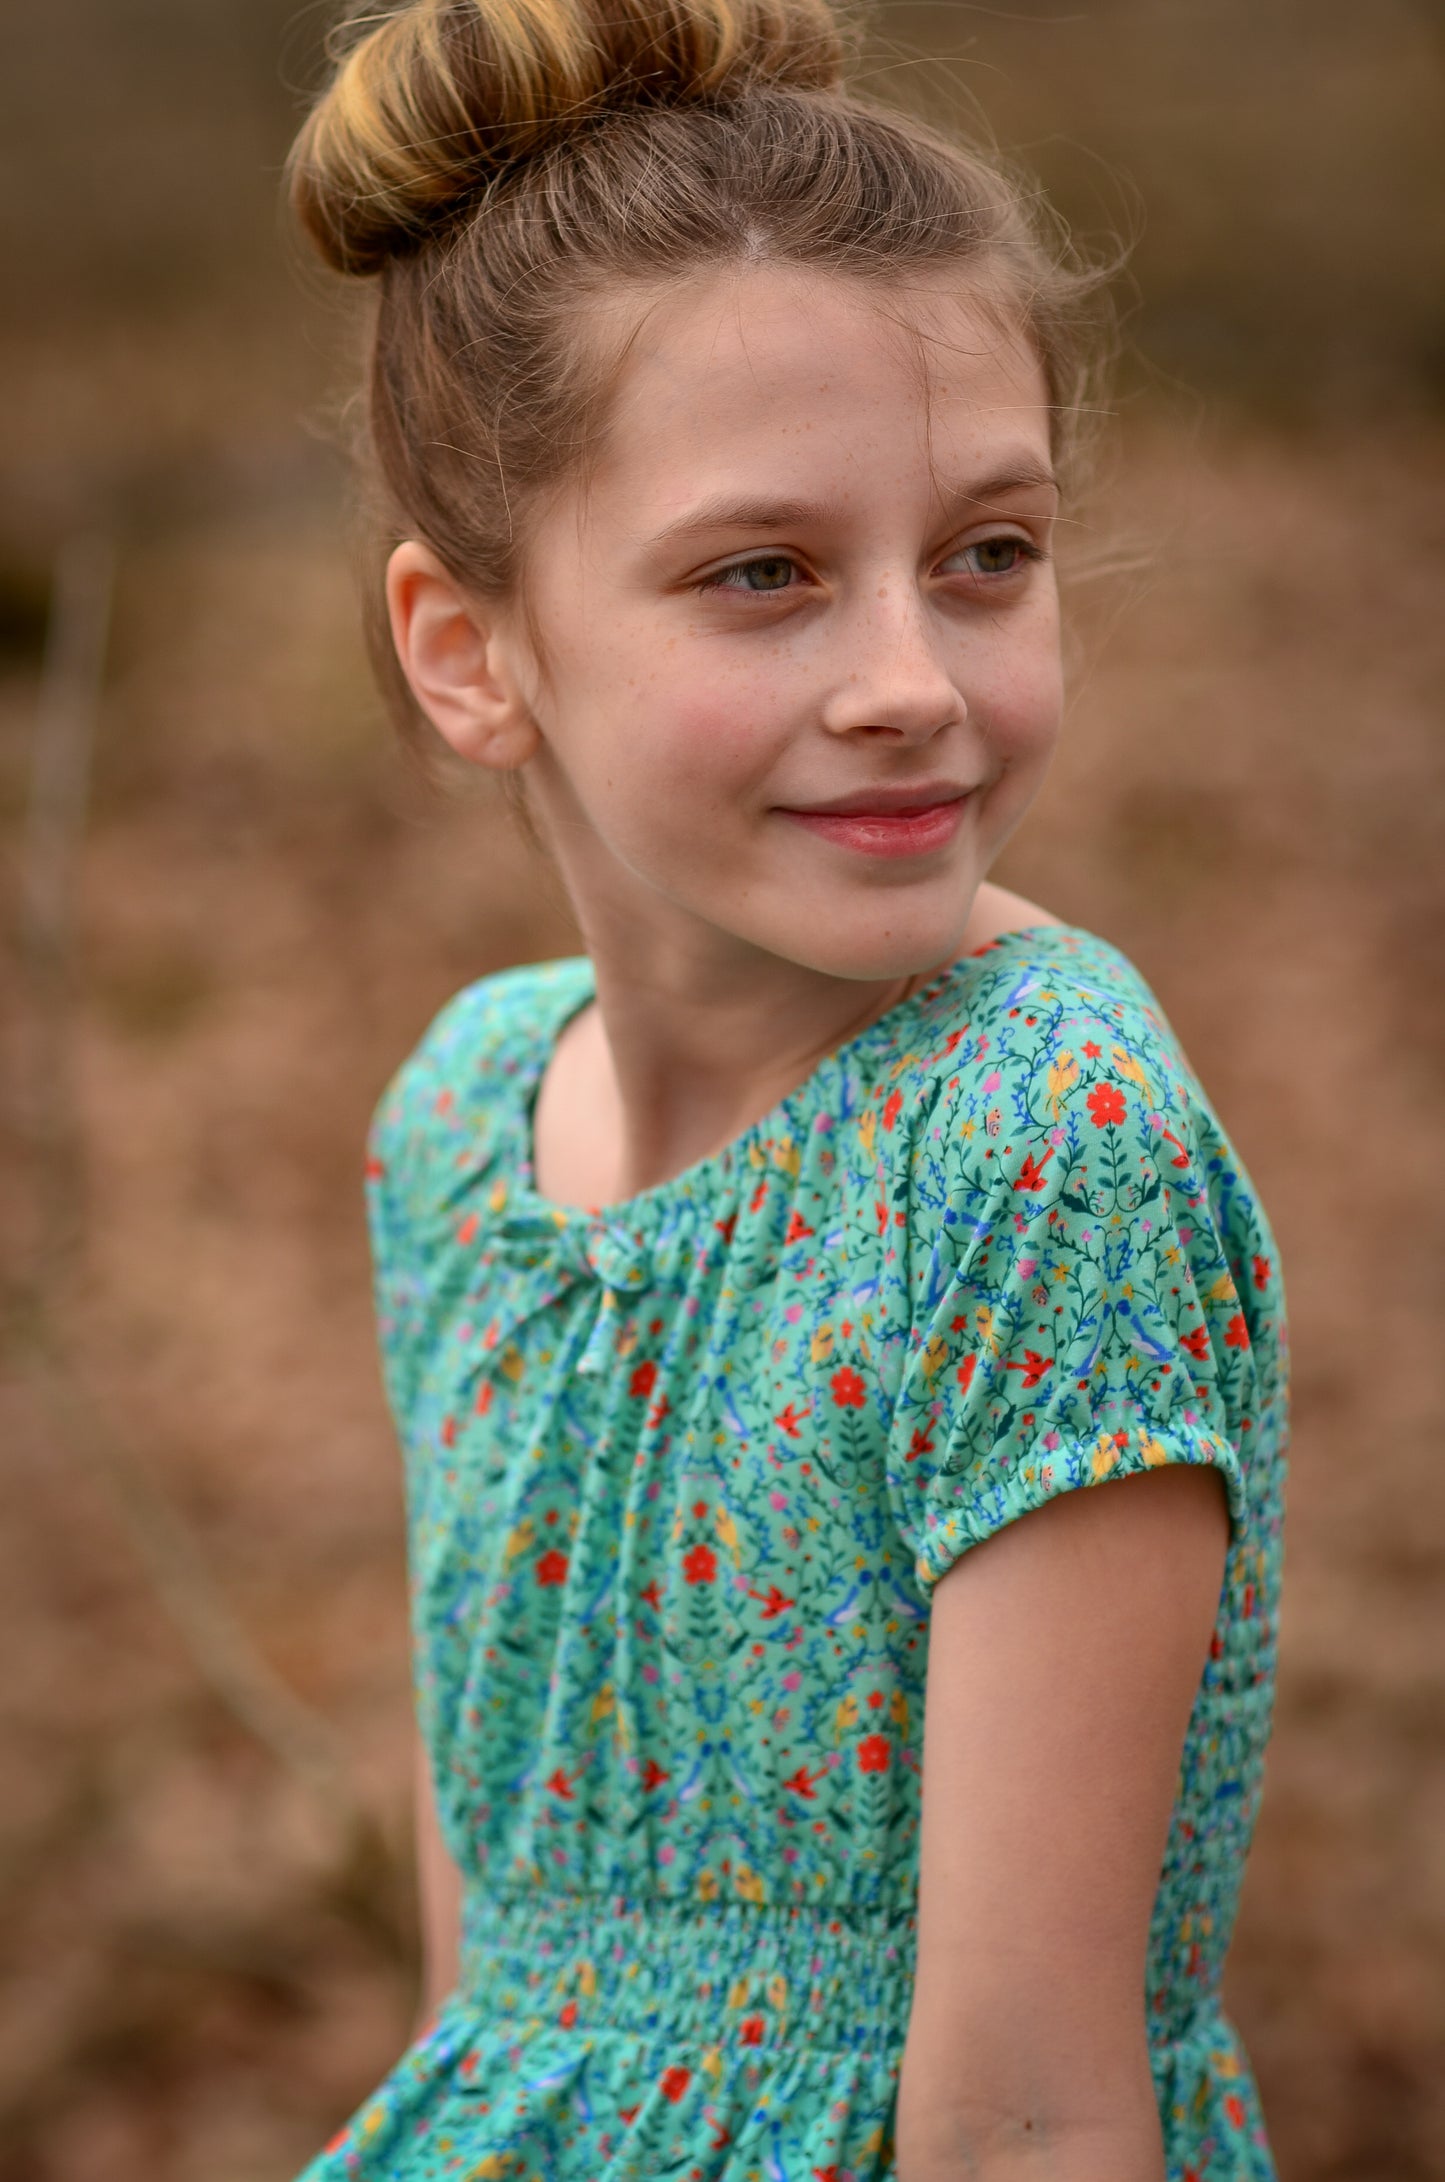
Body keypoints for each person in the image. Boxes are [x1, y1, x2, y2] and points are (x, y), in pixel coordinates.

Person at [285, 2, 1288, 2176]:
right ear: (473, 649)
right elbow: (490, 1932)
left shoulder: (1037, 1145)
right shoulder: (463, 1122)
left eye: (987, 556)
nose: (915, 680)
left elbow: (1022, 2111)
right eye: (765, 575)